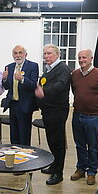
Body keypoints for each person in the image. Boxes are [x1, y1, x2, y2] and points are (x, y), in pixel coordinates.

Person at [70, 49, 98, 185]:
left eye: (84, 58)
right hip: (77, 114)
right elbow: (75, 91)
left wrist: (96, 105)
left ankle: (92, 172)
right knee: (79, 145)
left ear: (91, 58)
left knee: (92, 145)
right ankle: (80, 169)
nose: (82, 60)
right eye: (80, 58)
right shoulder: (75, 74)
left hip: (92, 116)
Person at [35, 44, 71, 185]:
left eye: (49, 53)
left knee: (58, 142)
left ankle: (59, 173)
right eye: (44, 54)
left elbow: (60, 86)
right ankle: (54, 166)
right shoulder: (49, 69)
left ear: (57, 54)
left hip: (58, 111)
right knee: (51, 140)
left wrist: (44, 91)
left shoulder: (63, 69)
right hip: (48, 111)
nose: (46, 56)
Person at [1, 45, 39, 146]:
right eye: (15, 53)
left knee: (24, 135)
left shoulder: (33, 66)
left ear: (25, 54)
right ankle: (14, 156)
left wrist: (22, 79)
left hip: (25, 105)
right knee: (14, 134)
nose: (18, 55)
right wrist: (4, 79)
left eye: (20, 53)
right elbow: (6, 87)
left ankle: (24, 157)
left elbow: (33, 85)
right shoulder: (9, 67)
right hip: (12, 104)